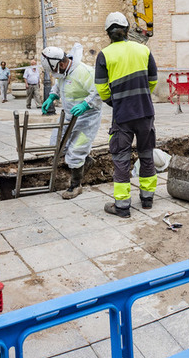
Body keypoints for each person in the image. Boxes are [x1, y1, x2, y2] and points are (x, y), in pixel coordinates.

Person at [95, 12, 158, 218]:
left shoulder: (104, 55)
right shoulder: (143, 50)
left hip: (122, 115)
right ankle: (147, 199)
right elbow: (153, 80)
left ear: (108, 34)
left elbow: (102, 88)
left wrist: (117, 102)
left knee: (121, 159)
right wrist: (141, 97)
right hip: (145, 112)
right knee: (146, 154)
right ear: (128, 30)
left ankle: (122, 206)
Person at [41, 45, 102, 199]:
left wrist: (86, 104)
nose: (55, 74)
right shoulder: (63, 71)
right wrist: (52, 96)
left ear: (61, 64)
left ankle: (75, 185)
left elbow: (99, 91)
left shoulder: (84, 72)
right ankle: (85, 161)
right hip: (69, 115)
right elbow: (58, 83)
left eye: (54, 71)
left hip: (87, 118)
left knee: (76, 150)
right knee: (57, 144)